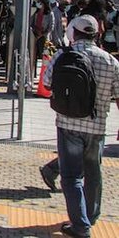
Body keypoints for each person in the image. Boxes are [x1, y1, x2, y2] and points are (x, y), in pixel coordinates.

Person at [42, 14, 119, 238]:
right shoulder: (110, 61)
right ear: (96, 34)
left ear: (73, 33)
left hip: (68, 125)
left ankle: (80, 225)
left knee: (71, 176)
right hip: (97, 127)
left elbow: (46, 84)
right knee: (94, 173)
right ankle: (91, 216)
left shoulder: (62, 56)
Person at [31, 0, 55, 79]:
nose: (38, 4)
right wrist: (36, 32)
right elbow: (32, 23)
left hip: (44, 37)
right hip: (35, 36)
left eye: (40, 2)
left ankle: (45, 75)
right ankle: (32, 74)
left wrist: (43, 34)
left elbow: (51, 27)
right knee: (33, 55)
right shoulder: (35, 13)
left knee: (45, 56)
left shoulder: (49, 14)